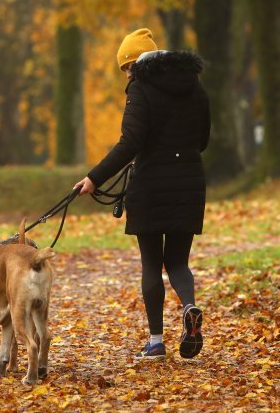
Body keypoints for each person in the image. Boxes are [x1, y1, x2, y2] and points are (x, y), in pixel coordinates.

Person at [75, 27, 210, 360]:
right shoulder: (193, 84)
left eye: (126, 67)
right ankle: (190, 308)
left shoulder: (140, 89)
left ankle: (156, 342)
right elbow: (204, 139)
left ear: (136, 63)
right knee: (178, 261)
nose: (126, 74)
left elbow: (130, 143)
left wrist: (94, 179)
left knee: (151, 263)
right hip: (190, 180)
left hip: (150, 185)